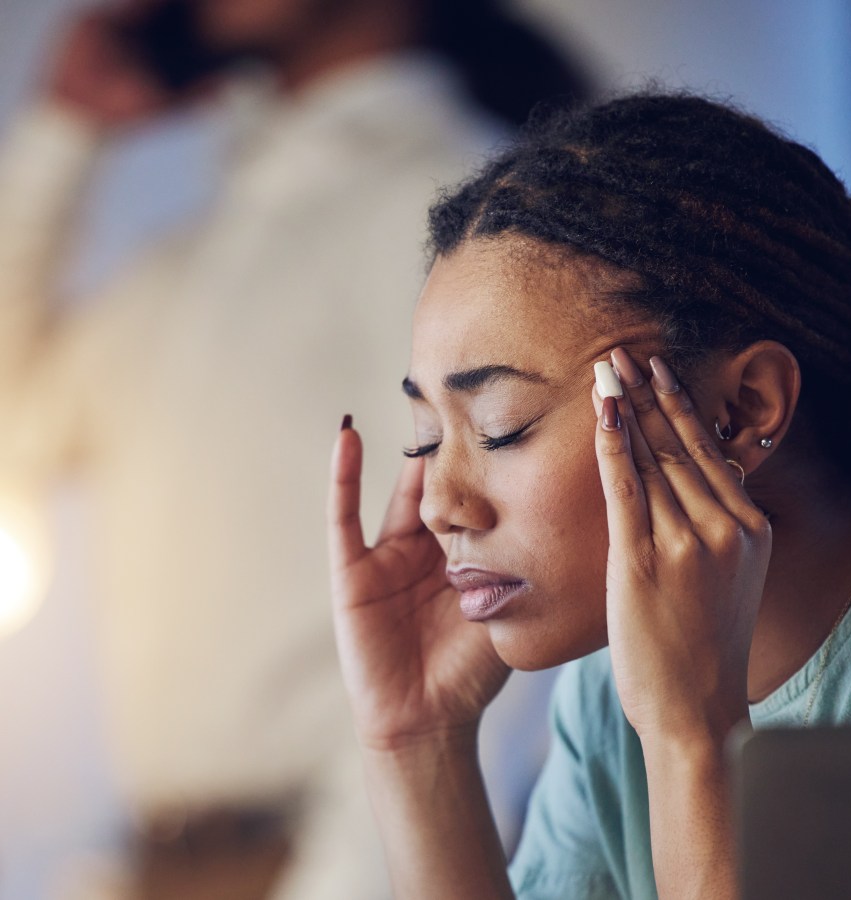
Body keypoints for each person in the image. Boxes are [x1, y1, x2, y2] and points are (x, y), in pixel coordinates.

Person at [326, 92, 851, 899]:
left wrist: (694, 740)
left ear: (742, 411)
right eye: (426, 437)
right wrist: (418, 745)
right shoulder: (611, 695)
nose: (442, 502)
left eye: (502, 425)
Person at [0, 0, 588, 897]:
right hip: (158, 861)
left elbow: (499, 571)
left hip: (324, 863)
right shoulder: (200, 253)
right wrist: (60, 135)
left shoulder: (445, 201)